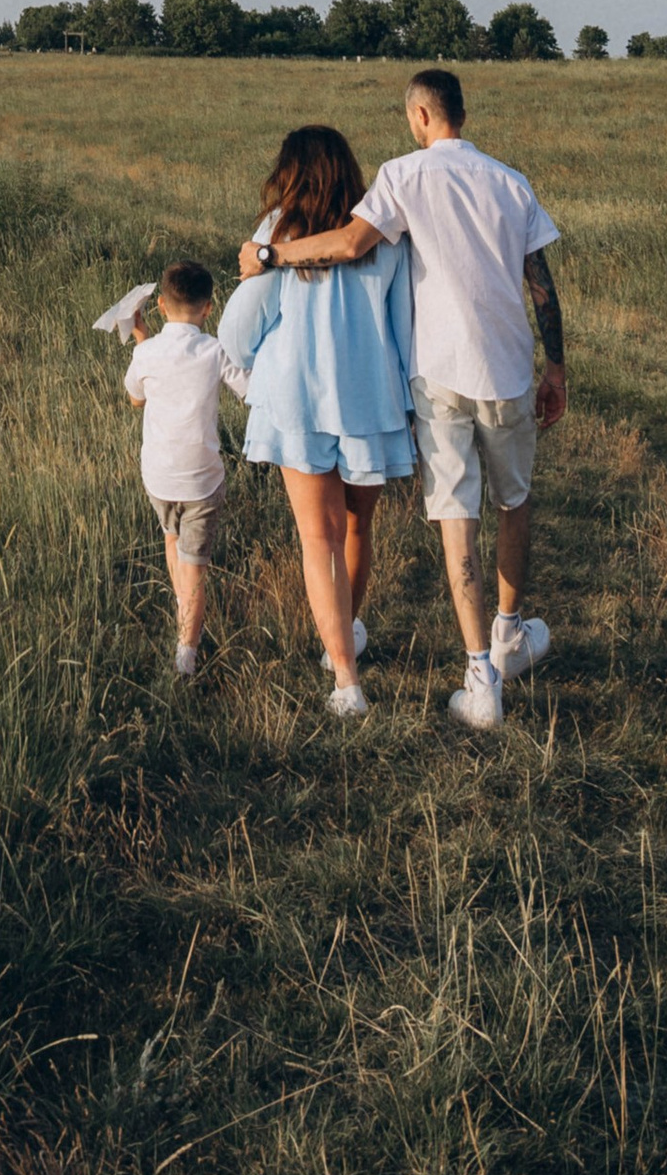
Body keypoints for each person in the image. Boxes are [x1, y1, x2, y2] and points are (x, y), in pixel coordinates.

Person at [266, 67, 563, 734]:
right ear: (461, 112)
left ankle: (479, 676)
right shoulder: (512, 182)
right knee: (514, 500)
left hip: (438, 372)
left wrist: (271, 251)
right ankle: (511, 629)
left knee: (457, 517)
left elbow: (348, 244)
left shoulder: (402, 175)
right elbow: (540, 285)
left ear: (420, 116)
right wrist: (558, 367)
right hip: (511, 367)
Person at [223, 124, 414, 720]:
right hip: (369, 399)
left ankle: (347, 683)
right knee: (357, 530)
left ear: (290, 171)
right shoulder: (380, 232)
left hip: (297, 400)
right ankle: (343, 644)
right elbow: (404, 326)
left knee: (318, 539)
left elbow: (236, 331)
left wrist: (261, 373)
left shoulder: (279, 232)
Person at [120, 262, 240, 679]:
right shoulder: (214, 349)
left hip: (158, 476)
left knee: (171, 537)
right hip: (202, 479)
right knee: (195, 568)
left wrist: (141, 339)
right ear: (209, 307)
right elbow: (248, 388)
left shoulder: (145, 351)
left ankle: (182, 609)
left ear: (159, 306)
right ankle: (186, 655)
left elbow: (136, 398)